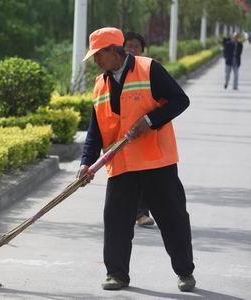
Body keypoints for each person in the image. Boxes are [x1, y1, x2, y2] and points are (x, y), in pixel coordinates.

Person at [78, 27, 196, 291]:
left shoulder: (149, 69)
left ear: (114, 50)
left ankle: (185, 271)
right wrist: (86, 162)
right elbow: (95, 129)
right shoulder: (100, 84)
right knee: (116, 221)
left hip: (157, 162)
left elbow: (180, 100)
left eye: (99, 55)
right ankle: (116, 275)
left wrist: (150, 120)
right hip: (121, 164)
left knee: (172, 218)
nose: (96, 61)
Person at [123, 31, 155, 227]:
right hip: (122, 137)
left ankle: (142, 213)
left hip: (145, 134)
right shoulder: (114, 72)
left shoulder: (150, 70)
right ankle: (130, 212)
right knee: (126, 179)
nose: (132, 50)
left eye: (136, 46)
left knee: (144, 177)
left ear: (142, 50)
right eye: (128, 46)